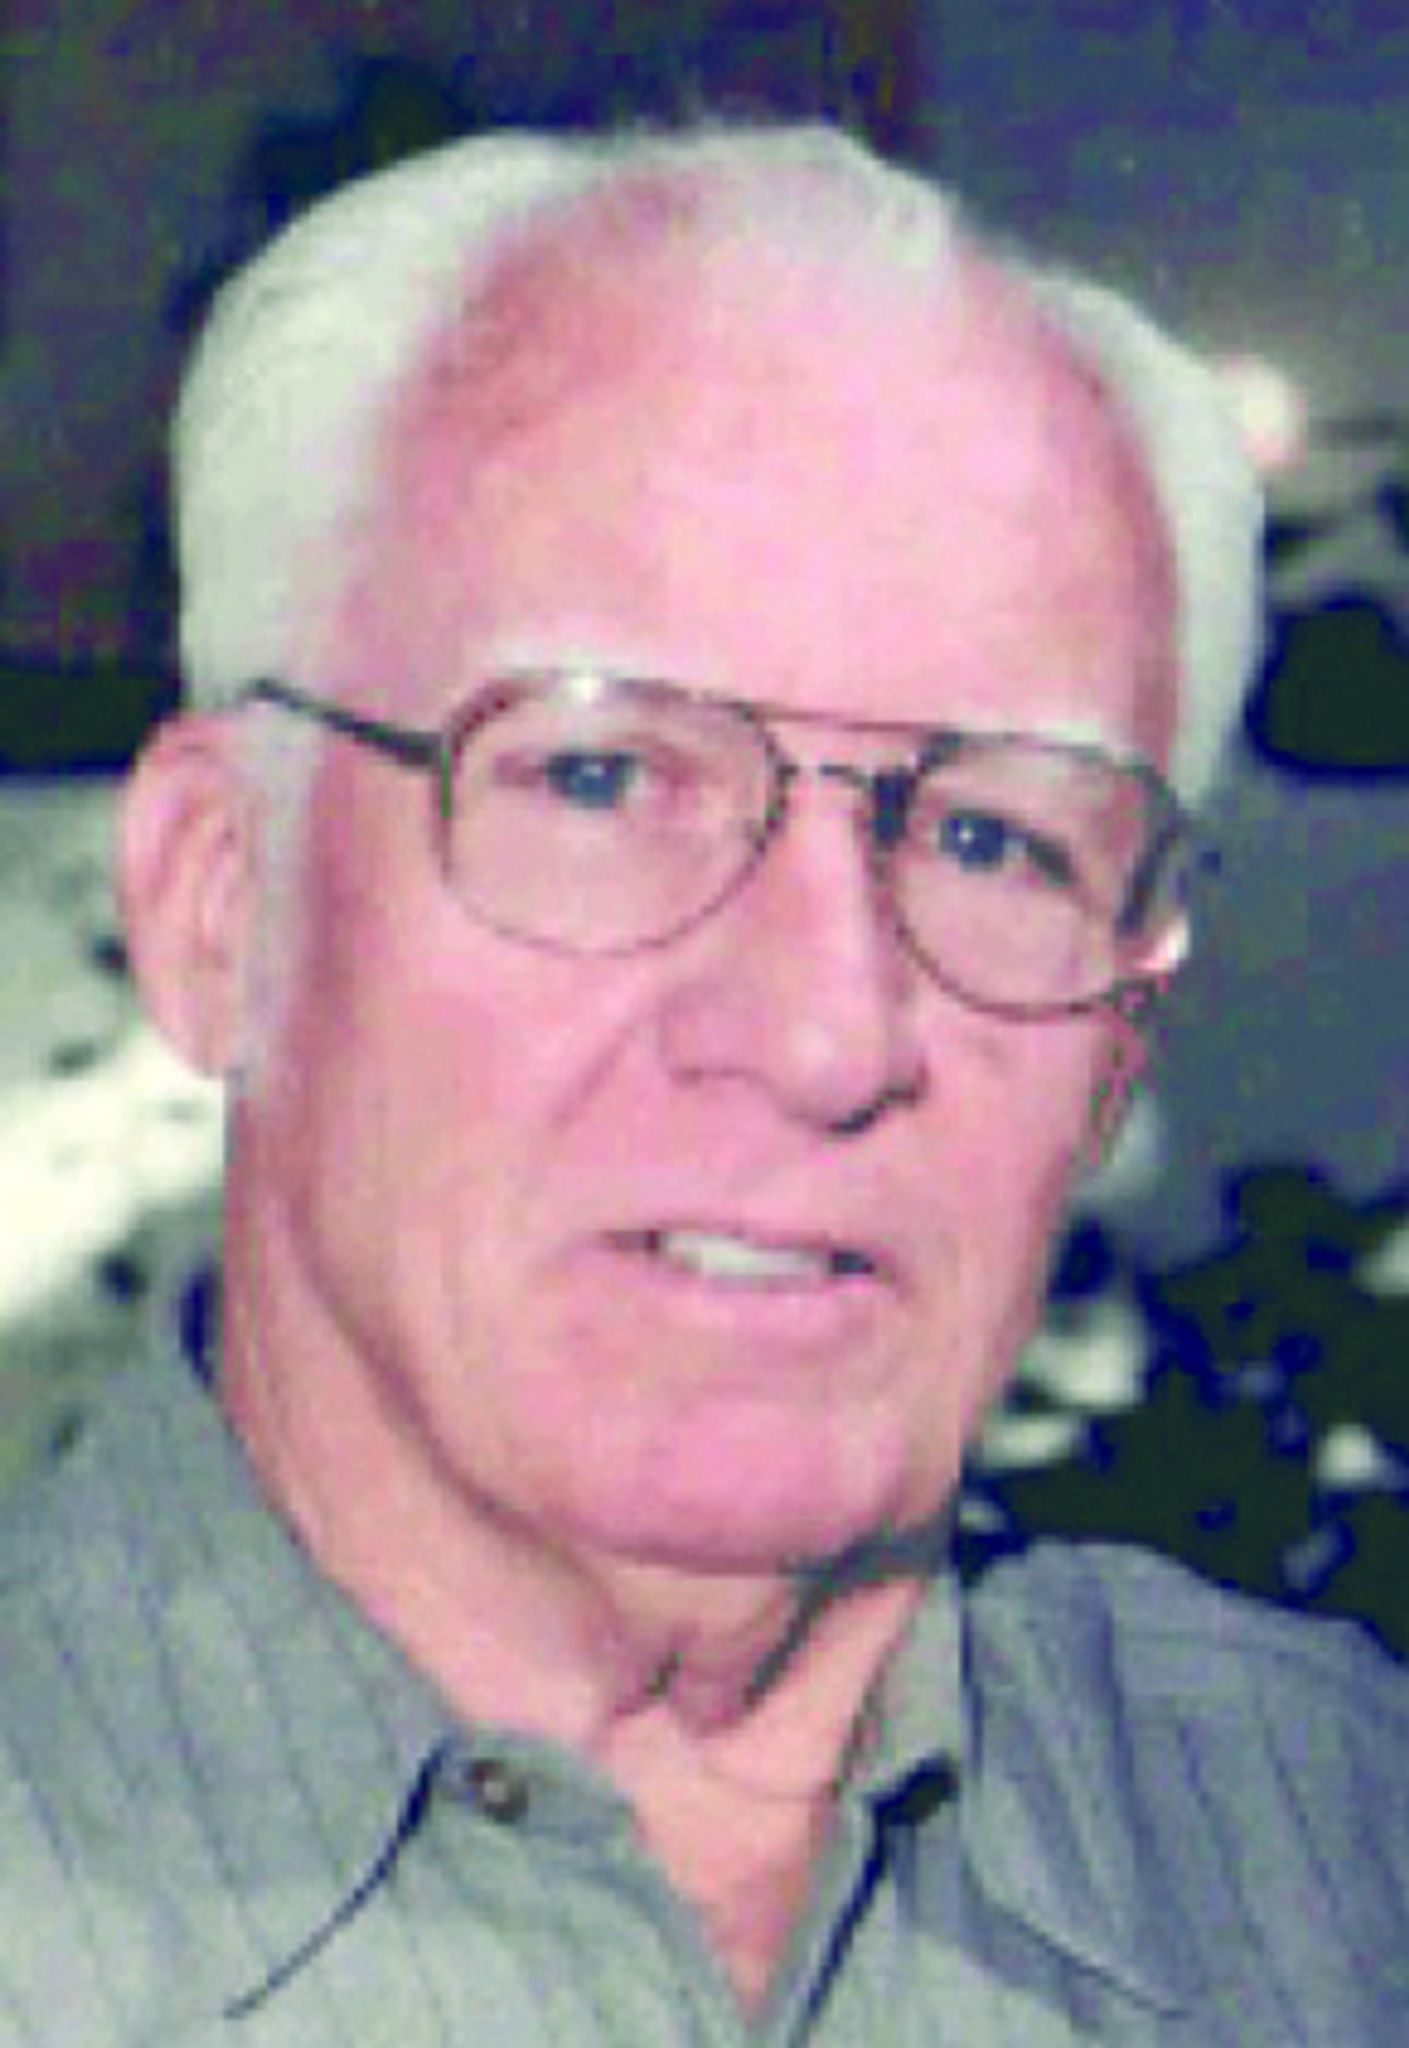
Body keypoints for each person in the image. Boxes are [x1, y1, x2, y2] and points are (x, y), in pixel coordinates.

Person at [2, 120, 1405, 2046]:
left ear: (1116, 1048)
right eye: (598, 778)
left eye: (992, 840)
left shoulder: (1342, 1862)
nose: (829, 1034)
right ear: (217, 903)